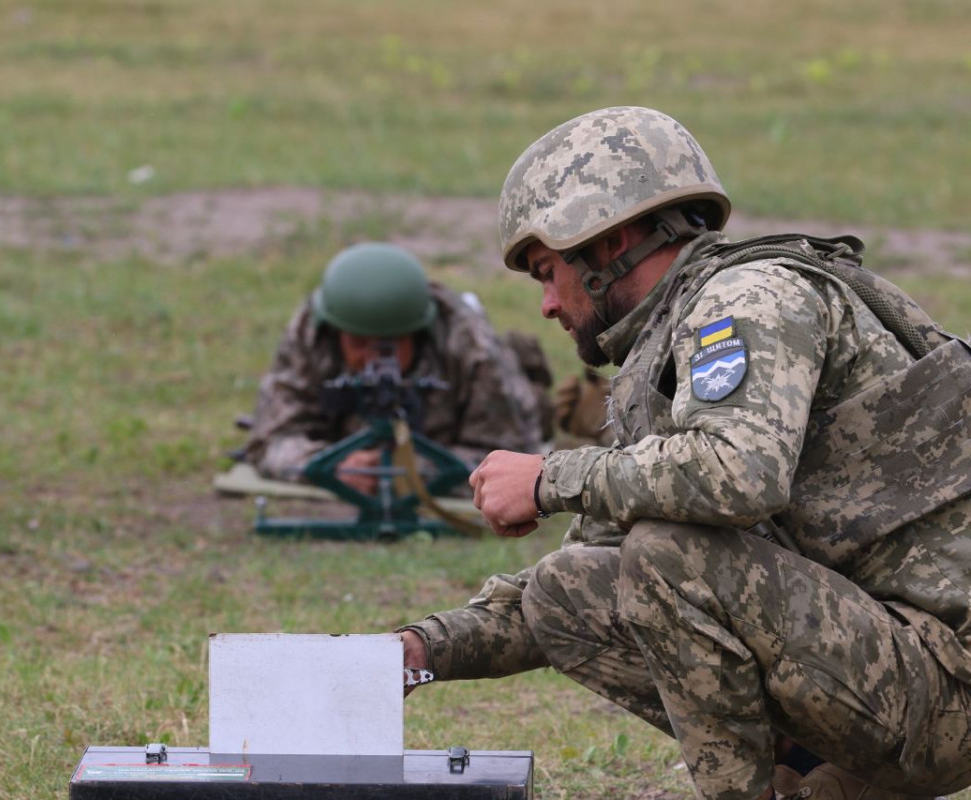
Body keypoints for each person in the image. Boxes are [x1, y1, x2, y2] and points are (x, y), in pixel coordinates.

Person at [398, 107, 971, 800]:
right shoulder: (675, 344)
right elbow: (584, 570)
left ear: (608, 242)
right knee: (566, 589)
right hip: (894, 664)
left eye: (548, 272)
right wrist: (419, 650)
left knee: (669, 552)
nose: (547, 305)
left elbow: (741, 475)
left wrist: (551, 477)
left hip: (948, 684)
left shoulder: (748, 300)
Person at [244, 242, 548, 494]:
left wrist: (412, 469)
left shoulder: (471, 348)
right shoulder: (313, 334)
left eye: (388, 345)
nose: (372, 359)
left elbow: (515, 458)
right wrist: (332, 466)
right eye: (359, 344)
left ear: (418, 335)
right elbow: (269, 441)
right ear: (337, 334)